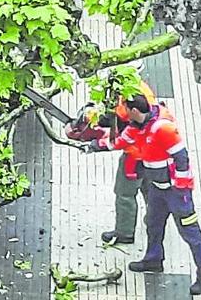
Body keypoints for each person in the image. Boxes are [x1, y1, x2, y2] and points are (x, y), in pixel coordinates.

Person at [88, 94, 201, 296]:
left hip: (176, 192)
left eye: (126, 110)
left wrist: (181, 190)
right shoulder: (138, 126)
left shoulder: (162, 128)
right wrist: (94, 146)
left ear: (135, 111)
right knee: (153, 223)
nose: (124, 114)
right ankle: (153, 259)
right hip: (158, 187)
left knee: (190, 232)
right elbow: (121, 141)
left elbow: (182, 158)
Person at [65, 80, 156, 245]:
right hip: (153, 155)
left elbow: (117, 139)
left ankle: (125, 232)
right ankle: (155, 218)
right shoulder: (142, 93)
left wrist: (93, 144)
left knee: (125, 194)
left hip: (135, 157)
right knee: (148, 186)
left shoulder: (133, 121)